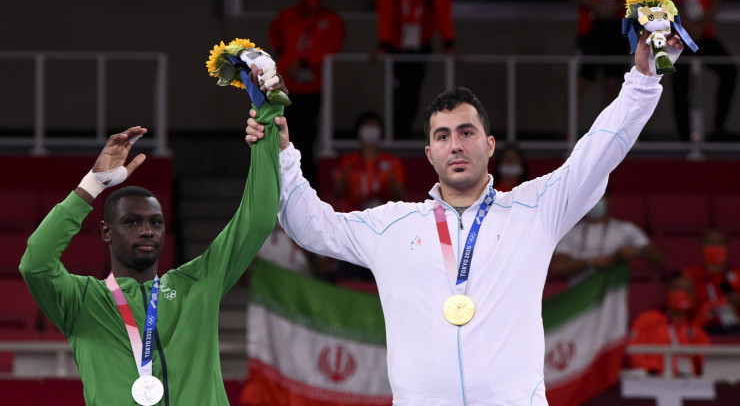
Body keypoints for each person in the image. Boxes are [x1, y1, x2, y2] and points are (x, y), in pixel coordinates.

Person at [245, 32, 682, 405]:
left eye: (466, 132)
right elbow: (311, 226)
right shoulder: (392, 226)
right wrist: (281, 154)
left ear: (489, 145)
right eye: (443, 136)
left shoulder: (535, 210)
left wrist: (643, 79)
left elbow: (599, 150)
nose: (455, 145)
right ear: (429, 153)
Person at [19, 69, 283, 405]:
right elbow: (36, 264)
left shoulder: (198, 283)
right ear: (106, 231)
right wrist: (92, 184)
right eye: (132, 222)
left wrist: (268, 119)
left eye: (155, 223)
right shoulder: (82, 301)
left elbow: (258, 218)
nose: (147, 230)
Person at [269, 0, 345, 183]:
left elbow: (331, 51)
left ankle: (307, 184)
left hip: (313, 89)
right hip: (285, 87)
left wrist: (304, 61)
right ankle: (281, 184)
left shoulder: (331, 20)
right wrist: (287, 61)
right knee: (283, 137)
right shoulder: (287, 16)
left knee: (307, 140)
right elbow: (276, 38)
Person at [375, 0, 455, 139]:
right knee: (397, 92)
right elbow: (385, 12)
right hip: (396, 45)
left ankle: (403, 133)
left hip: (420, 44)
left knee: (413, 90)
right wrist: (383, 44)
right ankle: (395, 133)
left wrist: (449, 43)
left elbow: (443, 9)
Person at [548, 187, 665, 286]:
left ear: (609, 200)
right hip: (581, 299)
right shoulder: (571, 233)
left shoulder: (626, 229)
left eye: (599, 197)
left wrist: (639, 250)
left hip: (613, 299)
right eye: (590, 198)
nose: (595, 202)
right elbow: (557, 268)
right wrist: (591, 262)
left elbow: (659, 259)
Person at [666, 0, 738, 141]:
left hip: (705, 35)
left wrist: (700, 27)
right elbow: (668, 1)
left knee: (729, 71)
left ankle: (718, 128)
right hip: (678, 36)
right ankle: (684, 136)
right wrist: (688, 27)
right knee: (681, 85)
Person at [628, 275, 711, 377]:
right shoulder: (646, 320)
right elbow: (635, 354)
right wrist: (652, 372)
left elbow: (709, 365)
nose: (681, 293)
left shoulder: (697, 332)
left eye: (687, 290)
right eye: (676, 288)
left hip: (686, 382)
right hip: (652, 379)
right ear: (667, 293)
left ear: (694, 297)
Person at [568, 0, 633, 114]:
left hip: (618, 26)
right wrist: (596, 6)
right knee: (578, 85)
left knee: (613, 85)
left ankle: (606, 127)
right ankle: (571, 127)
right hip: (589, 27)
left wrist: (614, 7)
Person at [333, 111, 406, 212]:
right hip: (353, 214)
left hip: (383, 215)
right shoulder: (347, 161)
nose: (371, 130)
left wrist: (389, 185)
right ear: (359, 130)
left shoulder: (392, 162)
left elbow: (400, 196)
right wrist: (346, 175)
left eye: (374, 126)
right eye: (366, 125)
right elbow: (337, 193)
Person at [682, 228, 740, 333]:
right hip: (700, 330)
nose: (715, 247)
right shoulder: (690, 276)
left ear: (727, 247)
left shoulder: (737, 274)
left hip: (734, 330)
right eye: (710, 243)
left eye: (720, 243)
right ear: (702, 247)